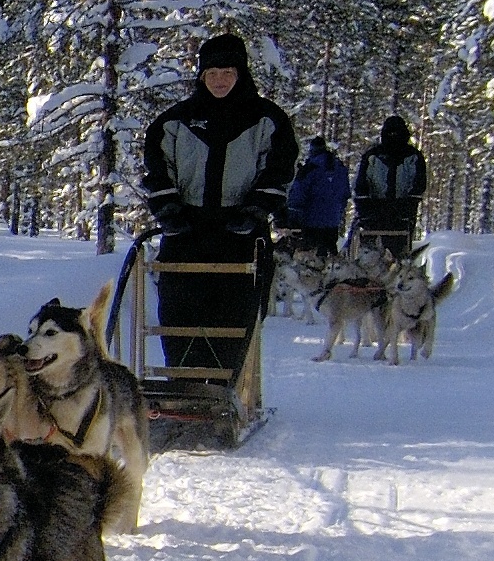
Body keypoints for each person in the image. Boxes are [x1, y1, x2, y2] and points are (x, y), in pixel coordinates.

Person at [140, 32, 300, 384]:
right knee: (180, 310)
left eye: (227, 72)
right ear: (200, 76)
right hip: (187, 232)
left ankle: (228, 385)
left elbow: (280, 170)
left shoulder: (267, 119)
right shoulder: (175, 121)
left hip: (241, 234)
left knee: (234, 313)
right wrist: (168, 210)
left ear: (241, 73)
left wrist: (257, 209)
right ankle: (183, 384)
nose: (219, 81)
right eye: (211, 74)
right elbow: (156, 169)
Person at [353, 116, 429, 252]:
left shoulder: (413, 157)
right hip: (374, 213)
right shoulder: (372, 156)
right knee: (369, 254)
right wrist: (364, 207)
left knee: (398, 255)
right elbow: (360, 185)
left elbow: (419, 185)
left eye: (397, 133)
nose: (394, 137)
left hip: (401, 214)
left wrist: (409, 204)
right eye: (390, 133)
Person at [283, 136, 353, 258]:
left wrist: (292, 217)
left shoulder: (309, 169)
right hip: (333, 221)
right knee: (330, 254)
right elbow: (345, 194)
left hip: (311, 221)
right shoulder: (340, 168)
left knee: (311, 256)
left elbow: (298, 194)